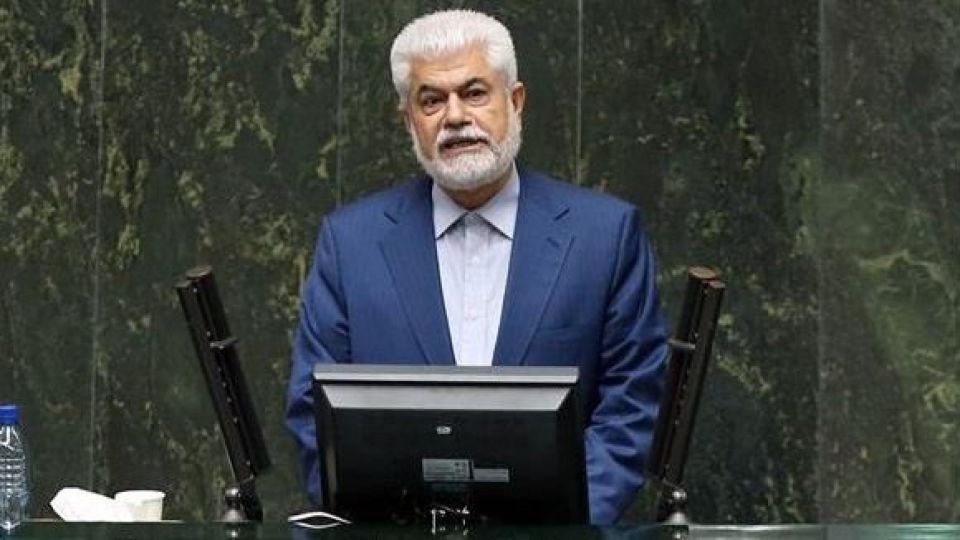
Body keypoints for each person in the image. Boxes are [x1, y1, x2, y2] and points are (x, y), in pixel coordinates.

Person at [285, 9, 669, 525]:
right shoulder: (351, 244)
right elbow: (314, 416)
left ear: (515, 101)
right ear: (408, 121)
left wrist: (557, 529)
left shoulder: (605, 236)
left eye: (474, 92)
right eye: (431, 100)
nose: (454, 116)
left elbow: (631, 407)